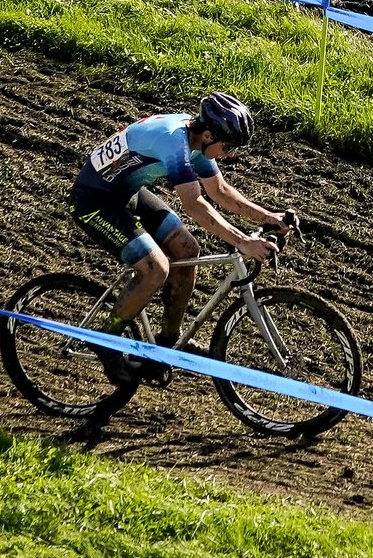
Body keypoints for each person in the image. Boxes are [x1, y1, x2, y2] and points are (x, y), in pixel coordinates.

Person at [69, 92, 295, 381]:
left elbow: (220, 192)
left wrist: (268, 217)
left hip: (126, 193)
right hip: (94, 201)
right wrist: (242, 242)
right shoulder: (174, 141)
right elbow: (194, 204)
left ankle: (168, 342)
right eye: (228, 146)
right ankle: (106, 338)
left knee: (187, 249)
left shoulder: (198, 140)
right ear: (211, 134)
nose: (231, 154)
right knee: (155, 269)